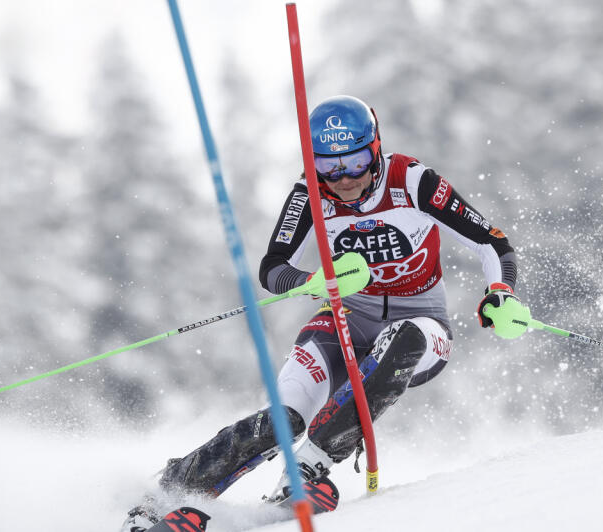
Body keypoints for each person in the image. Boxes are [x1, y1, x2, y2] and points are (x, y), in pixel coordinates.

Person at [123, 95, 531, 529]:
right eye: (328, 166)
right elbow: (272, 267)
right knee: (284, 416)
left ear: (374, 149)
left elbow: (492, 241)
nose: (343, 178)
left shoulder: (412, 181)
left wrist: (500, 292)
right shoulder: (309, 193)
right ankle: (165, 494)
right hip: (345, 318)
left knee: (404, 338)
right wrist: (310, 282)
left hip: (422, 320)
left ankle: (305, 469)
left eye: (355, 162)